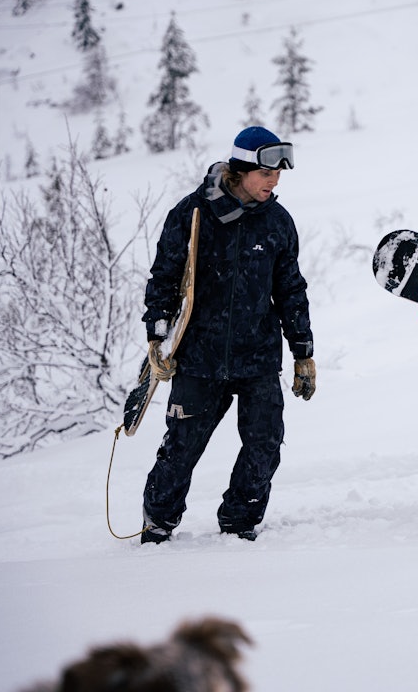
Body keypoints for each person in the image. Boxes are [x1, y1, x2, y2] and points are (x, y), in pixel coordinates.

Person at [140, 126, 315, 544]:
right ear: (240, 171)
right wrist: (157, 336)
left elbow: (290, 289)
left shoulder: (277, 222)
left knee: (265, 446)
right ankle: (158, 523)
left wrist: (303, 351)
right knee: (181, 449)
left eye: (278, 176)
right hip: (199, 357)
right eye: (266, 174)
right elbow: (164, 279)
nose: (274, 183)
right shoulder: (192, 214)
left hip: (257, 356)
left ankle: (240, 524)